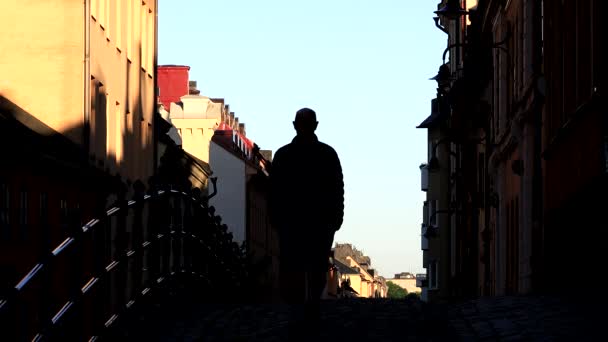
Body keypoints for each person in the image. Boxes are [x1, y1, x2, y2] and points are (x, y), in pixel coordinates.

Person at [269, 107, 344, 335]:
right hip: (319, 221)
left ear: (295, 125)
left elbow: (274, 191)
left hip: (293, 221)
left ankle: (300, 307)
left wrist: (276, 217)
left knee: (295, 264)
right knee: (315, 265)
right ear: (316, 125)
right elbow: (336, 188)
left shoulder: (283, 155)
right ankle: (310, 305)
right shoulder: (327, 154)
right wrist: (336, 216)